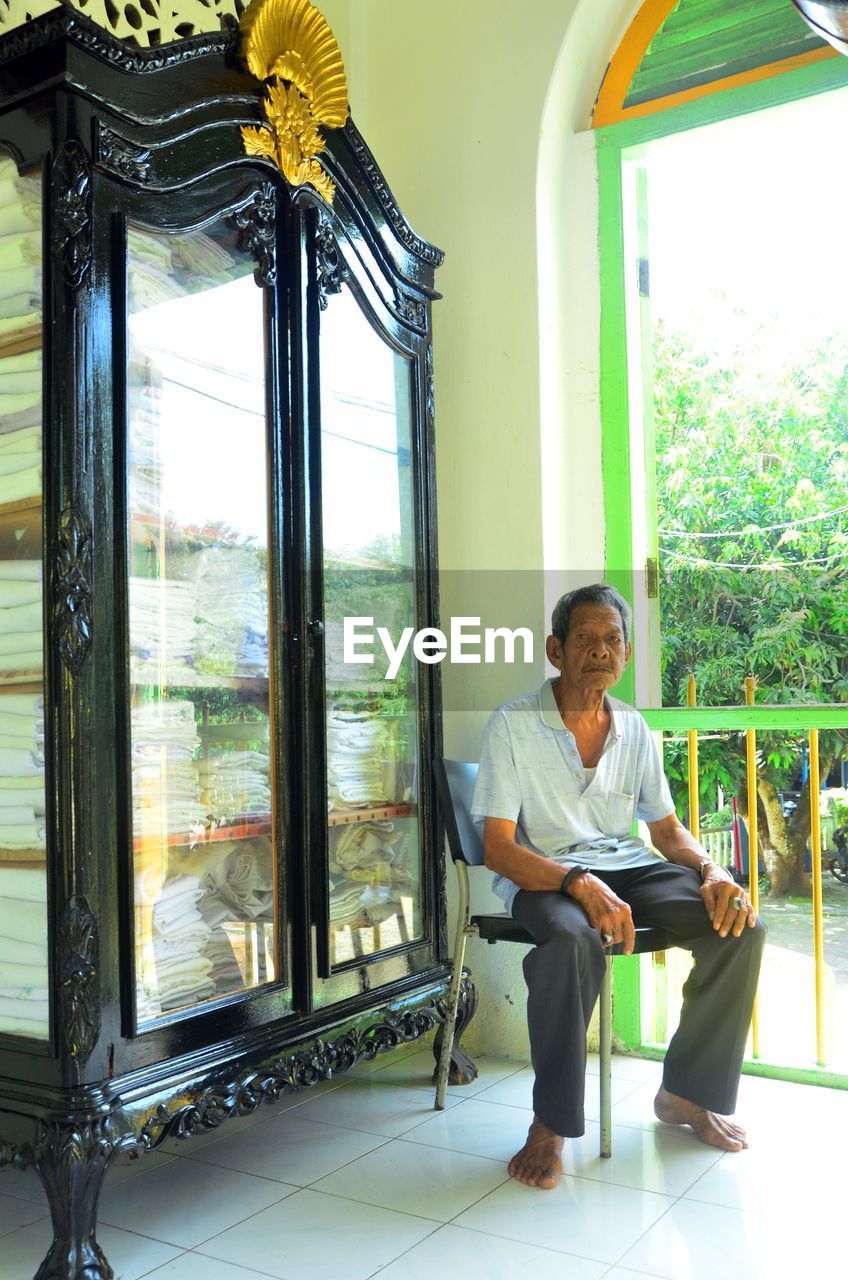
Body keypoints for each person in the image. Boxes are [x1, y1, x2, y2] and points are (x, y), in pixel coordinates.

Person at [472, 583, 765, 1190]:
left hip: (627, 866)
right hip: (545, 871)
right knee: (572, 942)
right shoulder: (512, 725)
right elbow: (498, 847)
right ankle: (549, 1124)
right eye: (584, 638)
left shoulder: (633, 727)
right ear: (556, 650)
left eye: (612, 640)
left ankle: (685, 1094)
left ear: (626, 655)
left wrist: (714, 872)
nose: (599, 651)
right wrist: (576, 882)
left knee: (739, 927)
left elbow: (666, 829)